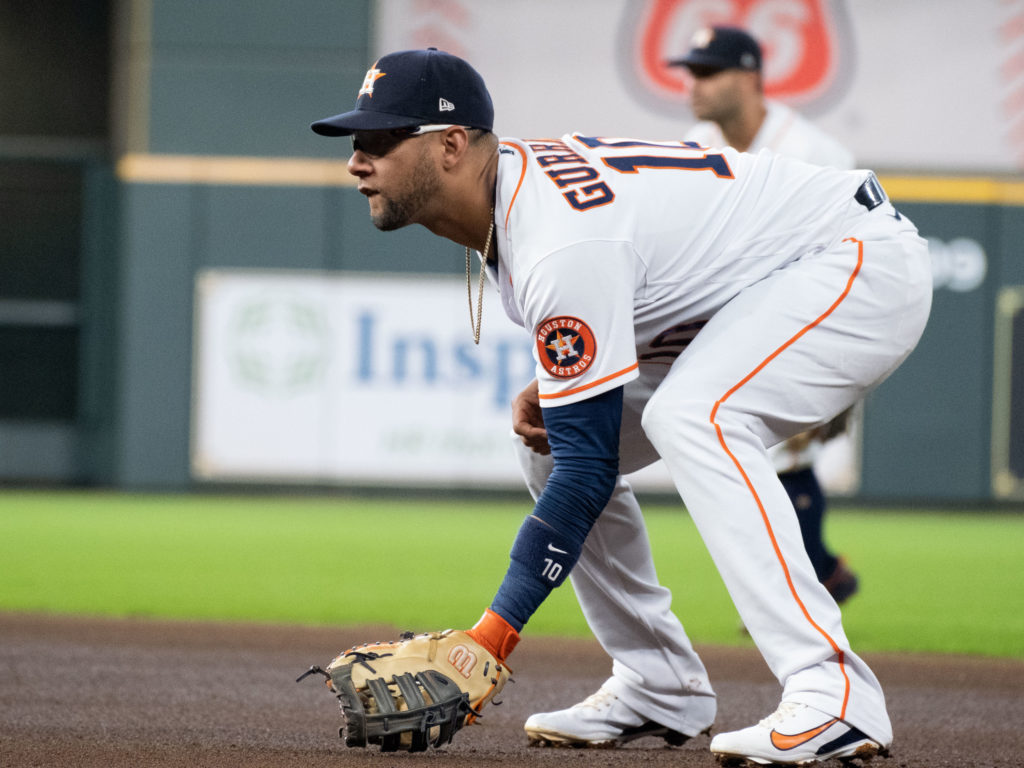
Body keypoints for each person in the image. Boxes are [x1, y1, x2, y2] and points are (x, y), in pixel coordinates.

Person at [311, 47, 932, 766]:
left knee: (693, 417)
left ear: (451, 145)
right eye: (356, 142)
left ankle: (835, 697)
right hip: (763, 283)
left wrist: (492, 637)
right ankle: (659, 684)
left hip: (852, 258)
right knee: (545, 438)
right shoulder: (521, 203)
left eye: (381, 140)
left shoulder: (555, 244)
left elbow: (589, 469)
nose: (359, 159)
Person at [675, 25, 860, 602]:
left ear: (751, 77)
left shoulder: (814, 152)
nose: (695, 84)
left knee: (783, 455)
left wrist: (845, 371)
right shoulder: (695, 144)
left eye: (710, 72)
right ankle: (821, 573)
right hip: (729, 324)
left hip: (809, 323)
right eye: (692, 72)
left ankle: (806, 587)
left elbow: (859, 260)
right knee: (745, 460)